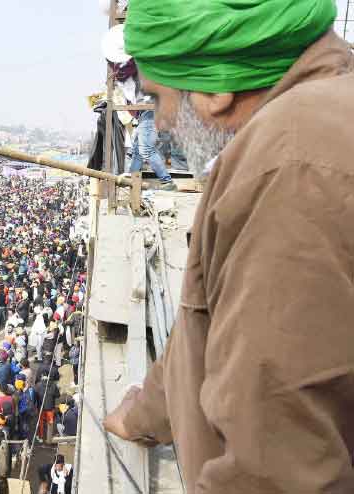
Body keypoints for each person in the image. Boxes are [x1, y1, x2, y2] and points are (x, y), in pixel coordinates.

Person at [103, 1, 354, 492]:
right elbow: (213, 320)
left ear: (216, 89)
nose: (164, 124)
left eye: (157, 99)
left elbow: (274, 468)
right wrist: (150, 411)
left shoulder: (289, 169)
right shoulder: (315, 118)